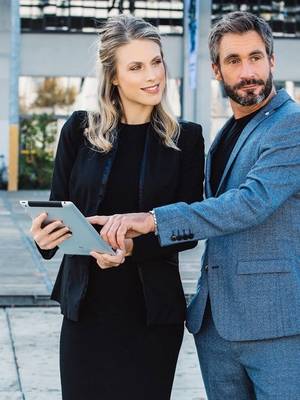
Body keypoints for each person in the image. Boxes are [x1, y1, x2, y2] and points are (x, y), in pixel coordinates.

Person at [93, 11, 300, 399]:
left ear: (272, 61)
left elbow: (249, 204)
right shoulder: (226, 133)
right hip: (215, 327)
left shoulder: (292, 125)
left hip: (278, 326)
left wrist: (154, 220)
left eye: (256, 57)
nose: (247, 71)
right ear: (217, 71)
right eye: (233, 61)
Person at [30, 14, 204, 400]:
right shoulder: (78, 131)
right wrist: (44, 239)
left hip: (152, 314)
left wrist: (131, 247)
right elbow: (58, 211)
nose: (152, 75)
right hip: (87, 309)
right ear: (113, 76)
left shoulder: (187, 140)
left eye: (156, 62)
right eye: (136, 66)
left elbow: (188, 229)